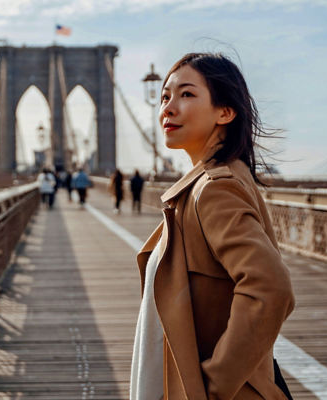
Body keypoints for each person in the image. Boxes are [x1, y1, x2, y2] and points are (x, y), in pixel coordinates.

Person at [129, 53, 294, 400]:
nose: (168, 109)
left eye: (186, 94)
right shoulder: (220, 178)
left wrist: (213, 386)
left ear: (225, 112)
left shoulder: (214, 188)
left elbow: (271, 289)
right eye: (165, 97)